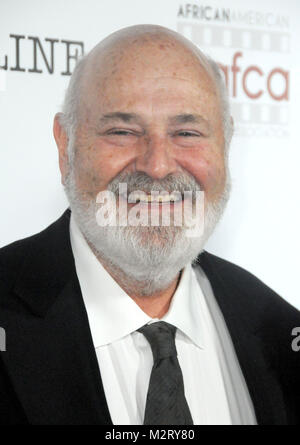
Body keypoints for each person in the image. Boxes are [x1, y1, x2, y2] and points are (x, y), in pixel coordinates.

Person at [0, 24, 299, 426]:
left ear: (225, 147)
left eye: (187, 132)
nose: (157, 166)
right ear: (65, 145)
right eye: (122, 131)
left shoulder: (282, 329)